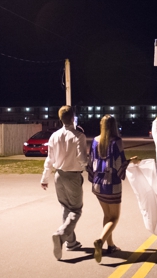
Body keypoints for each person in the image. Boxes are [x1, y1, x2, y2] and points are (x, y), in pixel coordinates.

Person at [87, 114, 137, 263]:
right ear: (114, 126)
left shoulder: (95, 141)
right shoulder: (117, 142)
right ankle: (100, 241)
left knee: (107, 215)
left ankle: (111, 245)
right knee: (114, 217)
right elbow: (119, 164)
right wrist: (131, 161)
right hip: (112, 184)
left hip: (97, 183)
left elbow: (90, 162)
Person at [41, 106, 88, 260]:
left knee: (66, 208)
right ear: (73, 117)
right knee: (76, 210)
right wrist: (87, 167)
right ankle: (61, 235)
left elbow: (50, 159)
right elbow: (82, 159)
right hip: (72, 176)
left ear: (60, 118)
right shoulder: (78, 136)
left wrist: (44, 178)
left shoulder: (54, 136)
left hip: (58, 175)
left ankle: (71, 242)